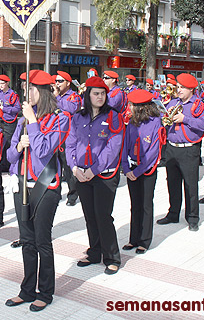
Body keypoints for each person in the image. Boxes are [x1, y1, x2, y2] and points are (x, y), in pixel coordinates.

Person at [5, 70, 70, 312]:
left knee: (42, 240)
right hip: (22, 184)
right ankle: (27, 289)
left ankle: (45, 291)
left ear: (41, 93)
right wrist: (20, 146)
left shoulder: (60, 119)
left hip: (46, 184)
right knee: (27, 241)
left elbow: (44, 152)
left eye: (30, 89)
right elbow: (10, 156)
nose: (25, 93)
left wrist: (32, 122)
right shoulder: (22, 121)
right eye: (24, 88)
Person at [65, 76, 124, 274]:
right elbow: (70, 144)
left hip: (104, 174)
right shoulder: (78, 117)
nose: (100, 97)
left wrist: (93, 170)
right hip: (81, 174)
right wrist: (74, 168)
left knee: (103, 216)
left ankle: (112, 256)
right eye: (95, 93)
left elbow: (113, 146)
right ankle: (94, 252)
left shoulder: (113, 116)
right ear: (87, 95)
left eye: (103, 93)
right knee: (90, 216)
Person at [157, 73, 204, 232]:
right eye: (178, 87)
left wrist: (184, 118)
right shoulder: (174, 102)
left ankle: (193, 218)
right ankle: (173, 213)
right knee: (172, 183)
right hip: (172, 147)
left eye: (182, 88)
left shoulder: (200, 105)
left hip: (189, 149)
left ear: (191, 89)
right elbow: (163, 117)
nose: (178, 90)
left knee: (190, 185)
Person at [121, 89, 166, 253]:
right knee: (135, 205)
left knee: (146, 204)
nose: (129, 107)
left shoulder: (155, 122)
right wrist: (126, 168)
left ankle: (144, 241)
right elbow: (125, 145)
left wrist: (137, 171)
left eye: (132, 105)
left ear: (141, 107)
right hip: (131, 168)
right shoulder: (131, 122)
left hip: (146, 170)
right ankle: (133, 238)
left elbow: (153, 152)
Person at [52, 71, 82, 206]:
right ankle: (56, 193)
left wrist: (57, 98)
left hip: (68, 135)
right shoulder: (53, 96)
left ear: (68, 83)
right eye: (56, 81)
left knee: (68, 166)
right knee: (55, 166)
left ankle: (72, 195)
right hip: (54, 134)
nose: (57, 84)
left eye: (60, 81)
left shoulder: (74, 96)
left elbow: (72, 108)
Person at [0, 74, 21, 173]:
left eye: (2, 83)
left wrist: (4, 109)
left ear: (7, 83)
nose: (0, 85)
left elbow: (17, 108)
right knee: (0, 142)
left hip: (9, 122)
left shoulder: (12, 95)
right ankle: (2, 164)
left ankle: (10, 165)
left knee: (9, 143)